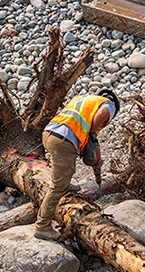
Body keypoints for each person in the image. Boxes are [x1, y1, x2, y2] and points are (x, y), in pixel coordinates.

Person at [34, 89, 120, 241]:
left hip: (49, 133)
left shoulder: (84, 99)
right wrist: (92, 131)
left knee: (66, 169)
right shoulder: (109, 105)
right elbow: (103, 113)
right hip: (63, 140)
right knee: (57, 186)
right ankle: (42, 226)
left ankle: (65, 184)